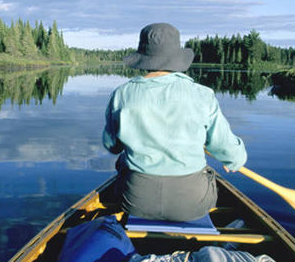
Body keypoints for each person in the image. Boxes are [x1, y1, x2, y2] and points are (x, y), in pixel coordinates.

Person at [102, 22, 247, 222]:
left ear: (143, 56)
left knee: (122, 162)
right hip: (192, 203)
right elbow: (225, 147)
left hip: (136, 200)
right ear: (176, 57)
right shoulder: (202, 94)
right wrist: (234, 160)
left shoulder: (121, 94)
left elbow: (112, 146)